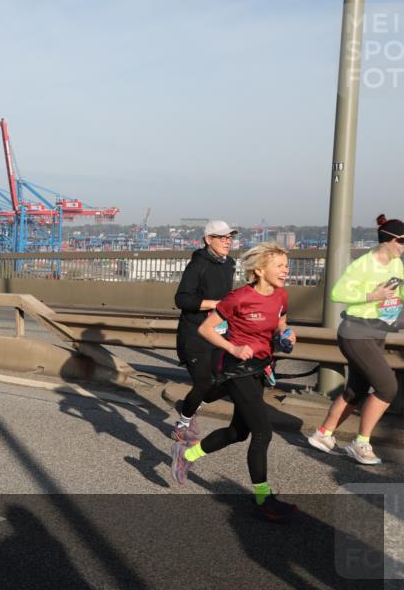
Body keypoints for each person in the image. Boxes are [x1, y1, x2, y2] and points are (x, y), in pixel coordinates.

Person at [171, 243, 298, 522]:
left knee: (238, 432)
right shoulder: (239, 297)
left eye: (286, 265)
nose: (286, 270)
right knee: (262, 433)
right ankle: (263, 499)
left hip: (260, 368)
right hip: (237, 370)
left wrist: (286, 333)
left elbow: (280, 322)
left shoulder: (281, 295)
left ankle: (186, 455)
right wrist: (233, 348)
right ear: (260, 270)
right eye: (279, 266)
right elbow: (206, 329)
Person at [308, 214, 403, 465]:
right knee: (388, 387)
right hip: (356, 332)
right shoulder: (363, 265)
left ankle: (323, 434)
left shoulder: (397, 265)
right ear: (387, 240)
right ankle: (361, 443)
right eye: (402, 241)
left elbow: (400, 295)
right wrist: (372, 296)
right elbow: (337, 293)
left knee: (356, 390)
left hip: (377, 333)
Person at [171, 221, 238, 441]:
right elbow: (182, 299)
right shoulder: (198, 264)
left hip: (219, 332)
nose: (227, 241)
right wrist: (215, 305)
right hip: (195, 334)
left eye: (230, 237)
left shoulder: (229, 263)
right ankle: (183, 423)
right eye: (222, 237)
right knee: (203, 382)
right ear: (208, 240)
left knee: (227, 381)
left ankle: (191, 405)